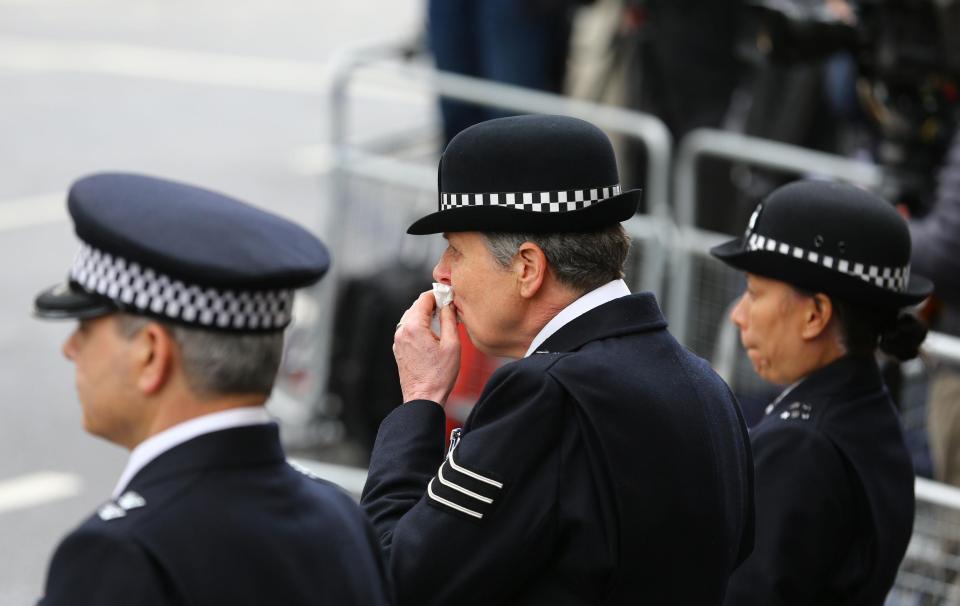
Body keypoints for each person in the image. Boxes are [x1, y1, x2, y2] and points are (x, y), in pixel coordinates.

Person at [360, 114, 755, 605]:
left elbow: (400, 578)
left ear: (527, 268)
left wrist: (419, 402)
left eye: (456, 250)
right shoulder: (706, 387)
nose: (441, 273)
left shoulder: (544, 394)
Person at [33, 173, 391, 606]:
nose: (71, 349)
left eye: (86, 328)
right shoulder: (340, 517)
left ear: (150, 354)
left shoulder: (121, 554)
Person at [711, 180, 930, 605]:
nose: (738, 314)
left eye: (754, 293)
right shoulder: (869, 410)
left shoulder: (801, 445)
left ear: (815, 315)